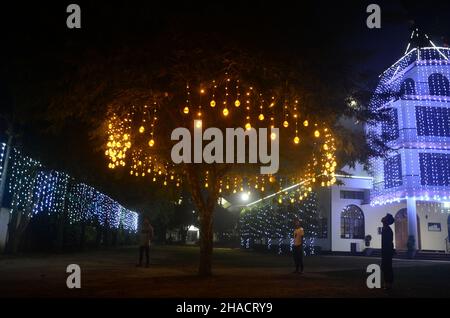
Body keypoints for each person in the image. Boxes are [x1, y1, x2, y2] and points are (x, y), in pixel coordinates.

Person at [381, 213, 395, 290]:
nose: (383, 219)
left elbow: (388, 242)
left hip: (387, 251)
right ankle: (387, 283)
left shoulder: (387, 229)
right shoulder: (385, 229)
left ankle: (388, 284)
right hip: (386, 251)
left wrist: (388, 251)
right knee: (386, 267)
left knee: (387, 267)